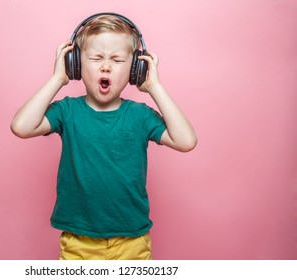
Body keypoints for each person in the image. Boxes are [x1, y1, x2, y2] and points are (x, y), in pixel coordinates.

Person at [10, 13, 197, 260]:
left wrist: (154, 87)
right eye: (96, 58)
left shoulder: (140, 116)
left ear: (135, 70)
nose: (106, 66)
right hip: (78, 240)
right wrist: (58, 78)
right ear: (75, 64)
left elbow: (186, 141)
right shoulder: (67, 111)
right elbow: (21, 126)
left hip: (132, 240)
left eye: (118, 59)